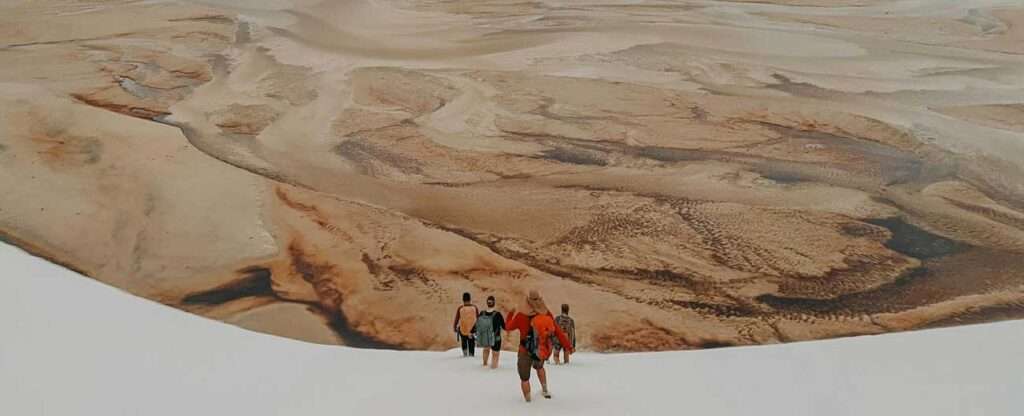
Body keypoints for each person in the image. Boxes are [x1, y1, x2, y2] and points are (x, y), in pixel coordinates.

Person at [506, 290, 573, 402]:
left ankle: (528, 402)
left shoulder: (521, 315)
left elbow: (508, 327)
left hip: (525, 350)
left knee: (525, 378)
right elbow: (558, 331)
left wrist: (510, 314)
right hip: (540, 350)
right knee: (540, 367)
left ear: (527, 301)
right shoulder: (546, 314)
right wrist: (568, 346)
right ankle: (545, 390)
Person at [475, 295, 506, 369]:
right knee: (495, 354)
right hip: (496, 338)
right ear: (494, 303)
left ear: (487, 303)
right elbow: (504, 327)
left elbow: (477, 324)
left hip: (485, 337)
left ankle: (484, 364)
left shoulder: (482, 313)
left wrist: (472, 332)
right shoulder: (498, 314)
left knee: (486, 350)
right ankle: (494, 368)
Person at [453, 292, 478, 357]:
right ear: (470, 299)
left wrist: (455, 327)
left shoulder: (460, 308)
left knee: (464, 342)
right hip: (472, 330)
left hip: (463, 329)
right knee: (471, 343)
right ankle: (471, 355)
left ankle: (465, 354)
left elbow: (457, 318)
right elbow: (478, 318)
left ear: (463, 299)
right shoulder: (475, 307)